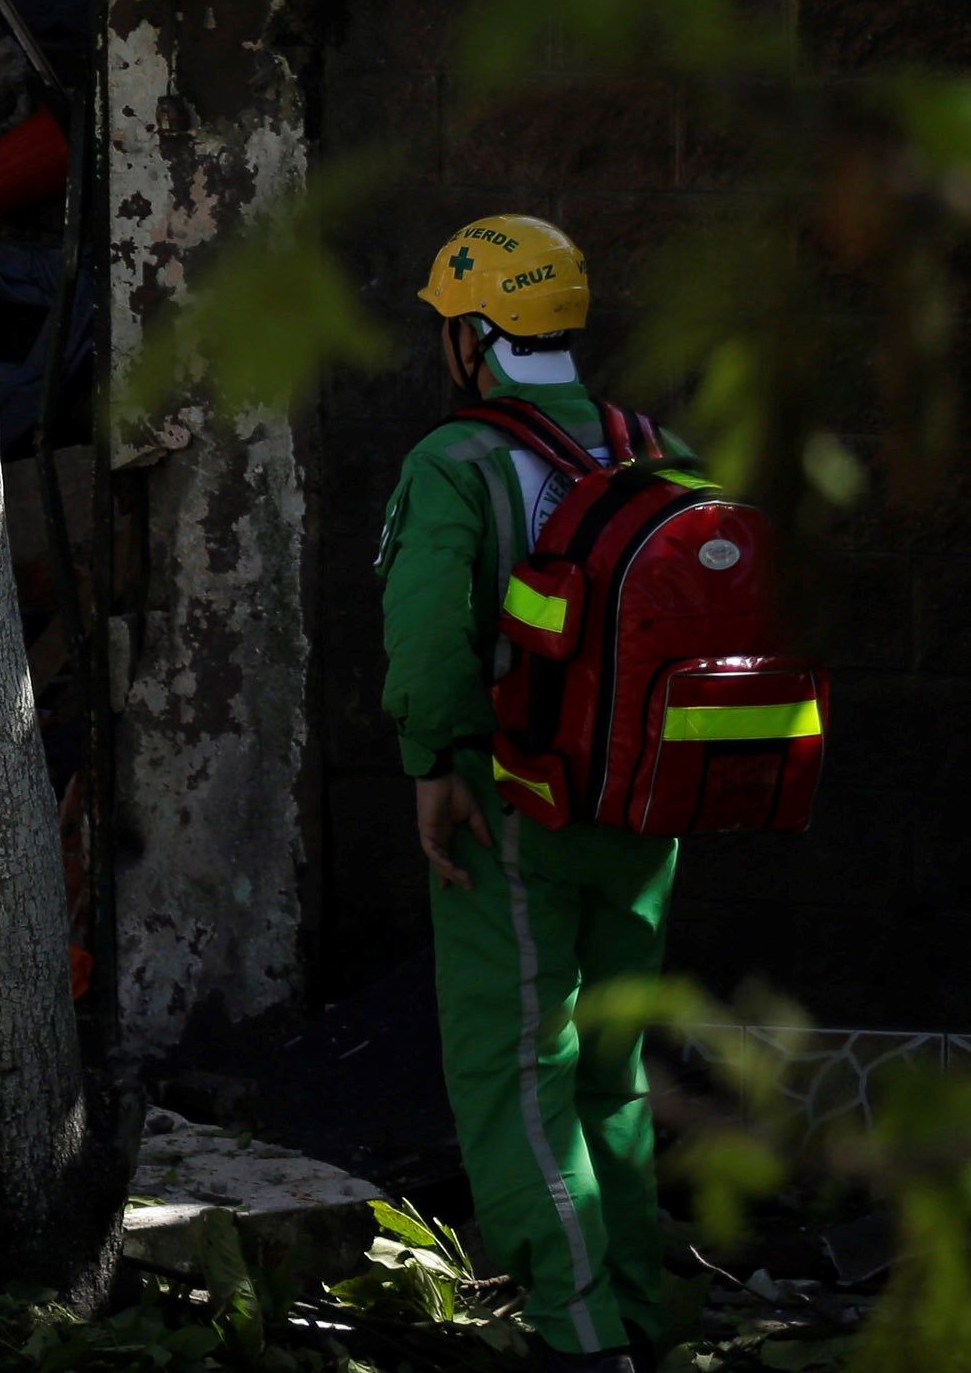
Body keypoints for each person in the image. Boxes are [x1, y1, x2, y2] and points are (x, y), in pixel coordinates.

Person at [383, 214, 675, 1373]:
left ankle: (581, 1334)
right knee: (611, 1070)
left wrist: (432, 765)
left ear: (472, 336)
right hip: (645, 810)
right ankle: (638, 1316)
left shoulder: (454, 462)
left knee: (515, 1068)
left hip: (514, 801)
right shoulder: (656, 449)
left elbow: (427, 642)